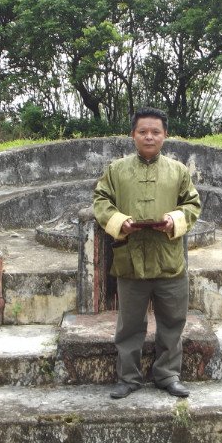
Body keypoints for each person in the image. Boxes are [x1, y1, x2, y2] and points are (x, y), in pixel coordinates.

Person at [93, 107, 201, 399]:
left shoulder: (178, 171)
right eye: (143, 131)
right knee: (129, 325)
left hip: (169, 260)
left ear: (165, 135)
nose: (149, 137)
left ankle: (167, 375)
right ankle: (128, 378)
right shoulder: (116, 170)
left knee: (172, 321)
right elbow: (101, 200)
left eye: (155, 131)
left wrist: (174, 220)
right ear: (133, 135)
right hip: (131, 260)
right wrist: (118, 222)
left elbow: (192, 205)